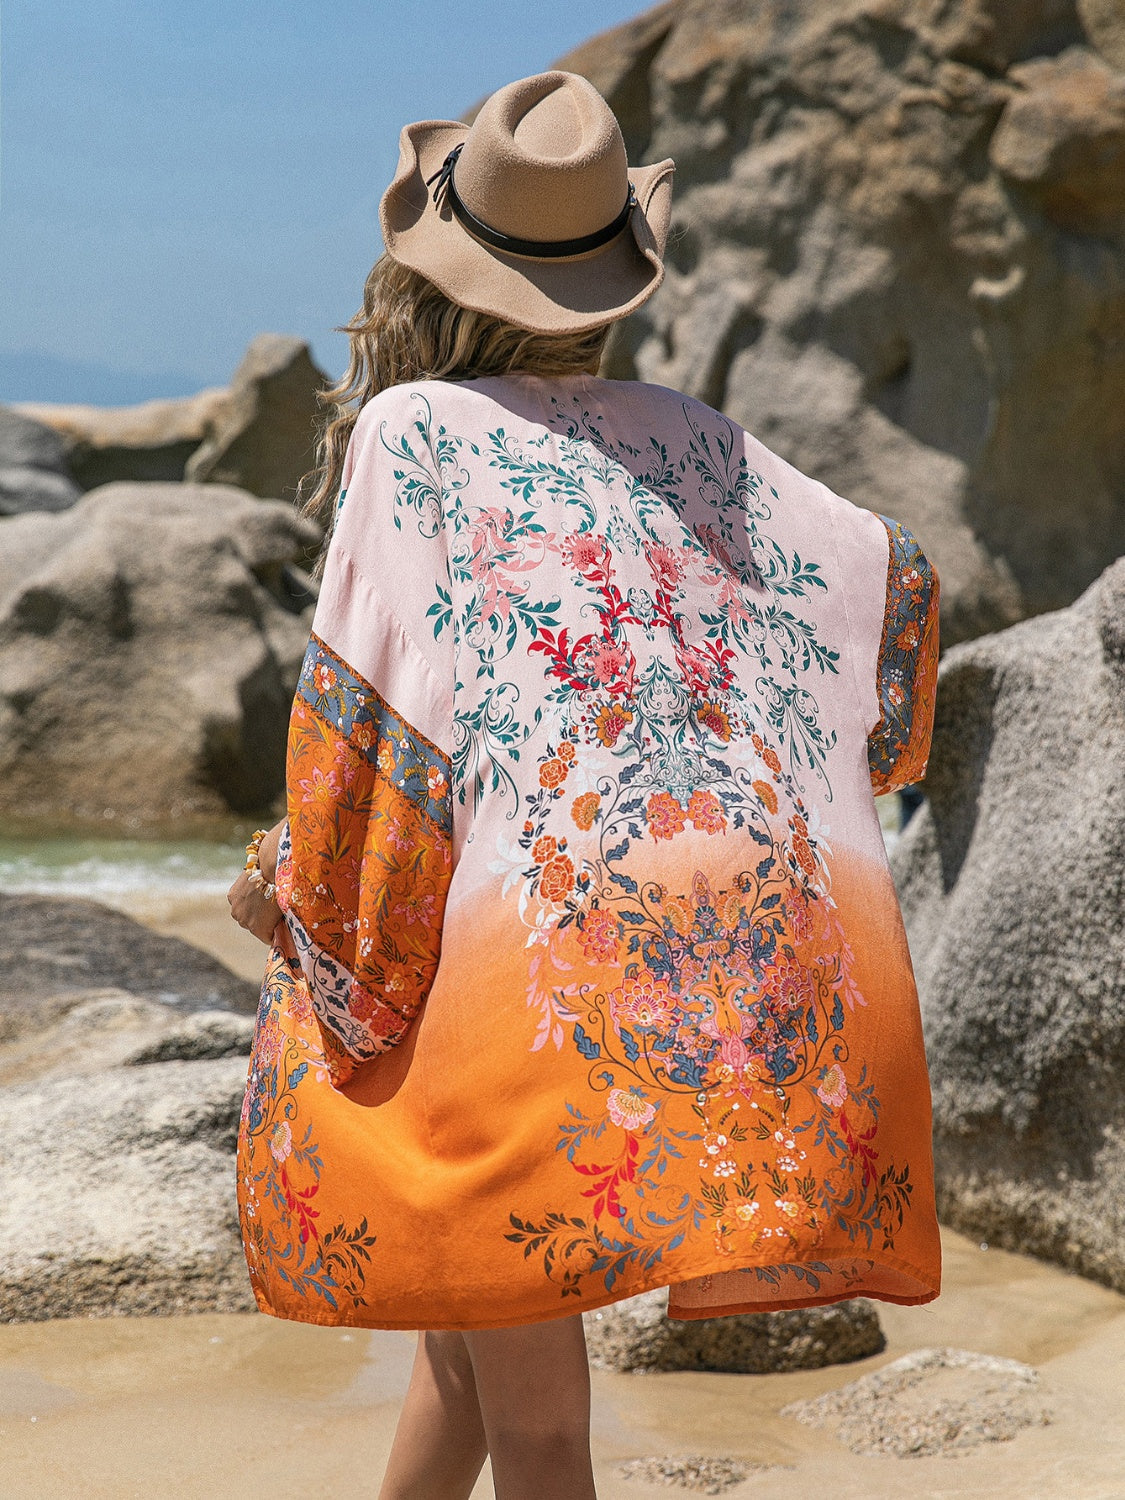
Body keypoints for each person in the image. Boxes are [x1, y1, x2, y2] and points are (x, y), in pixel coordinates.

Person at [228, 70, 941, 1500]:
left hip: (536, 953)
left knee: (544, 1428)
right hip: (724, 945)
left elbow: (368, 726)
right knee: (466, 1337)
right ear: (617, 274)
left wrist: (301, 917)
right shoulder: (693, 434)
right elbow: (894, 585)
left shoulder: (412, 430)